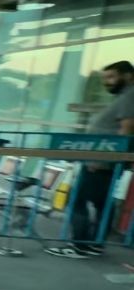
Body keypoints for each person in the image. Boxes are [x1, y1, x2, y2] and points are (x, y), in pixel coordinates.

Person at [46, 60, 134, 259]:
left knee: (77, 200)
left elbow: (126, 129)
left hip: (102, 163)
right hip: (103, 161)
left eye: (111, 77)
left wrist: (104, 159)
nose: (107, 82)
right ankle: (94, 244)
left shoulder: (130, 96)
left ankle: (80, 246)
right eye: (104, 79)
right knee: (102, 204)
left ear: (128, 75)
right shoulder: (124, 96)